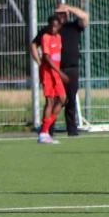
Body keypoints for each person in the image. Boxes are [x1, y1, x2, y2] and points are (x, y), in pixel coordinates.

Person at [31, 3, 90, 137]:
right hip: (54, 71)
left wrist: (68, 7)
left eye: (63, 13)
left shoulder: (73, 26)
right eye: (59, 13)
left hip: (71, 69)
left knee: (69, 100)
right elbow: (34, 45)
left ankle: (71, 131)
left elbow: (85, 17)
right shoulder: (49, 31)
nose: (61, 16)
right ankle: (47, 131)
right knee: (52, 100)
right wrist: (40, 62)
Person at [35, 15, 68, 144]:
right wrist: (60, 72)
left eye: (55, 26)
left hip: (56, 73)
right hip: (48, 73)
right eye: (51, 26)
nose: (53, 28)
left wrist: (59, 72)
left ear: (59, 27)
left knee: (63, 99)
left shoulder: (58, 37)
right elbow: (47, 58)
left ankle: (45, 129)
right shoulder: (45, 37)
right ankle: (44, 133)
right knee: (50, 101)